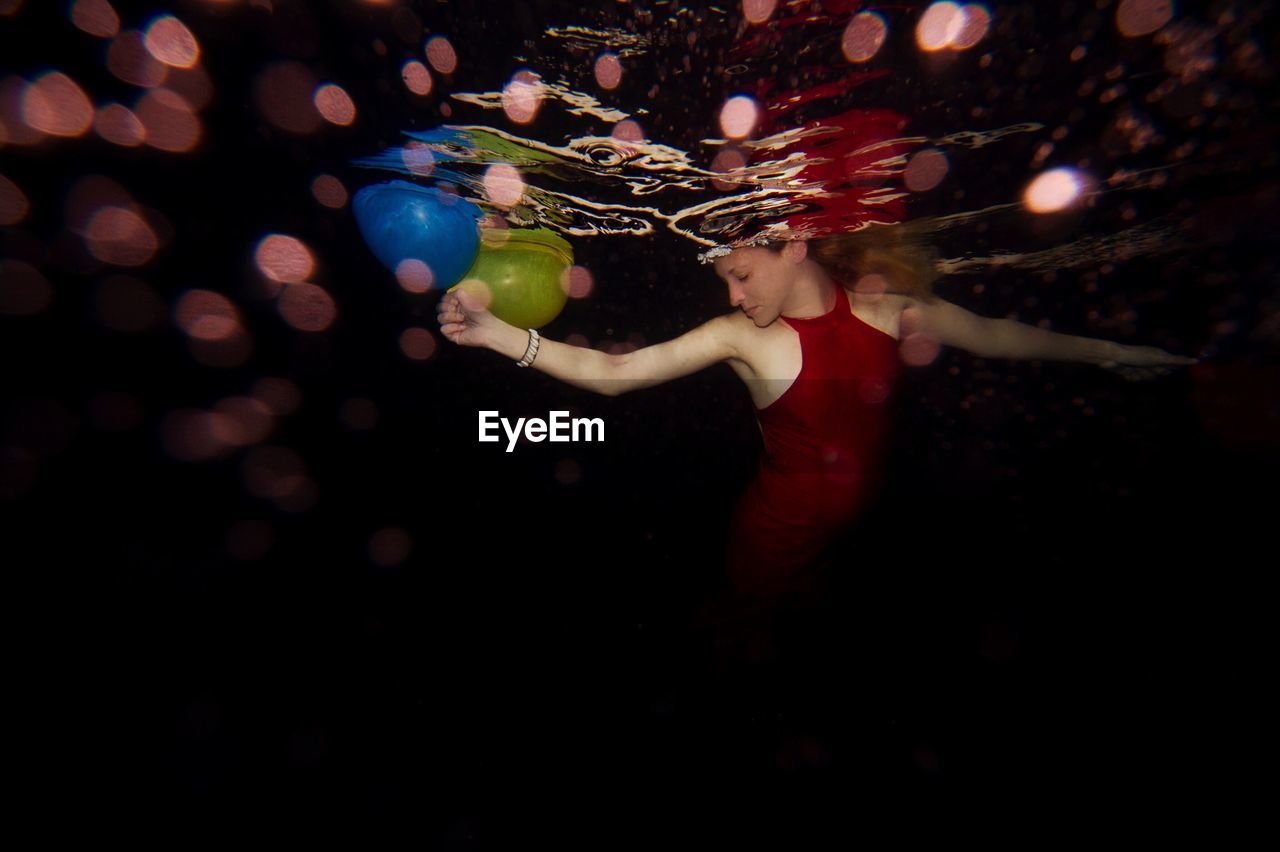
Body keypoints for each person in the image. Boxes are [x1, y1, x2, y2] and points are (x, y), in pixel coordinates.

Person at [435, 230, 1198, 666]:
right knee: (752, 642)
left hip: (850, 530)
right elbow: (614, 374)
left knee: (819, 631)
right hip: (773, 536)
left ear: (793, 242)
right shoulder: (741, 335)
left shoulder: (889, 312)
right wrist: (497, 334)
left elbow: (1002, 338)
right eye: (727, 282)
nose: (733, 296)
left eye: (739, 274)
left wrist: (1109, 353)